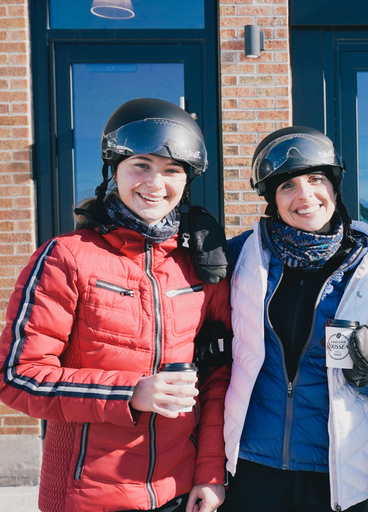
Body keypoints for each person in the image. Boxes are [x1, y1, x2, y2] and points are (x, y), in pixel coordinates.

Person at [0, 98, 231, 512]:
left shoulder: (200, 265)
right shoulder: (66, 257)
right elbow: (18, 377)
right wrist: (129, 393)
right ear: (115, 170)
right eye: (141, 165)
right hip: (86, 496)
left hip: (178, 491)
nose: (155, 184)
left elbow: (216, 379)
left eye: (172, 170)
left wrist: (210, 472)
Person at [221, 126, 368, 512]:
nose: (305, 195)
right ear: (273, 199)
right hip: (252, 463)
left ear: (335, 189)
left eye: (315, 180)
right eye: (288, 185)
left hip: (336, 467)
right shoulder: (242, 258)